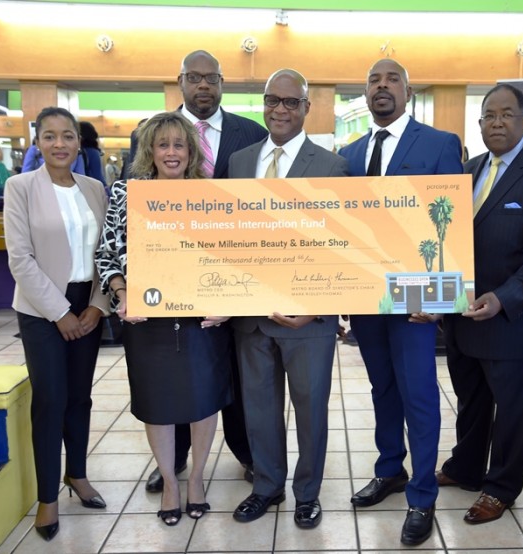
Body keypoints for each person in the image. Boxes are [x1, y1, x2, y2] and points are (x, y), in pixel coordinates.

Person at [435, 84, 523, 525]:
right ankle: (467, 467)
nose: (496, 123)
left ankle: (501, 487)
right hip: (463, 317)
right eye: (487, 116)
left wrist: (504, 297)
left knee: (512, 410)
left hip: (512, 319)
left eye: (506, 115)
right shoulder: (467, 170)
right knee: (470, 400)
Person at [338, 58, 463, 546]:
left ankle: (422, 494)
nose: (382, 86)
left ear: (408, 92)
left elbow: (449, 222)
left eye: (392, 80)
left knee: (419, 393)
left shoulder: (438, 144)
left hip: (417, 293)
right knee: (381, 387)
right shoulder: (348, 154)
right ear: (364, 94)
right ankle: (389, 469)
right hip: (367, 293)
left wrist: (440, 297)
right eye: (373, 80)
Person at [138, 50, 268, 493]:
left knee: (233, 370)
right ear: (180, 82)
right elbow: (131, 210)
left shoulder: (250, 133)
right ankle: (171, 462)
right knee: (172, 373)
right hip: (167, 289)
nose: (203, 86)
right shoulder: (150, 130)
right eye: (194, 78)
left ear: (222, 82)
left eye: (211, 78)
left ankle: (247, 454)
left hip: (228, 282)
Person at [96, 112, 233, 526]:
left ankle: (196, 480)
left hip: (201, 321)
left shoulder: (208, 194)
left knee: (203, 399)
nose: (171, 152)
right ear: (150, 151)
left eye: (179, 144)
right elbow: (107, 254)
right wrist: (123, 294)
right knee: (157, 403)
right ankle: (171, 483)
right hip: (146, 321)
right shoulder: (125, 194)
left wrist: (225, 300)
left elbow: (230, 255)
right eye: (163, 145)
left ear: (191, 151)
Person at [228, 68, 348, 530]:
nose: (280, 109)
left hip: (307, 320)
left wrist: (318, 308)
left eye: (290, 102)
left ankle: (307, 493)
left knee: (310, 410)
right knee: (258, 410)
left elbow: (343, 244)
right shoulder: (240, 162)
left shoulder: (332, 166)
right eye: (272, 100)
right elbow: (227, 236)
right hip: (253, 317)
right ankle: (266, 486)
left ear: (306, 108)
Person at [4, 107, 109, 541]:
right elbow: (20, 260)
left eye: (67, 136)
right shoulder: (20, 187)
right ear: (37, 142)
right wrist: (60, 313)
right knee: (51, 399)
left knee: (80, 398)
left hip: (88, 303)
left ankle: (77, 474)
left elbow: (108, 252)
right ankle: (48, 497)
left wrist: (98, 306)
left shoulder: (94, 188)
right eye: (49, 136)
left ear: (78, 143)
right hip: (42, 308)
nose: (60, 144)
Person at [78, 121, 107, 187]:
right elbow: (97, 175)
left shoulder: (76, 151)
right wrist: (107, 190)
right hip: (91, 187)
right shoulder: (93, 152)